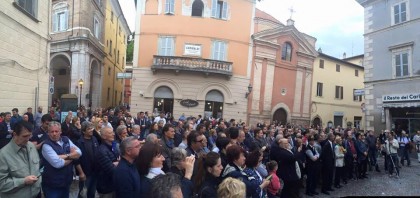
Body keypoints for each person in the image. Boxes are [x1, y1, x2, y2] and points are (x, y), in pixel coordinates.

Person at [0, 121, 41, 197]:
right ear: (15, 134)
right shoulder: (3, 155)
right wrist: (23, 181)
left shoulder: (31, 146)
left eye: (30, 135)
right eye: (25, 136)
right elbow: (2, 184)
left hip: (36, 194)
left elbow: (37, 169)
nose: (28, 139)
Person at [41, 121, 82, 198]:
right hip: (52, 185)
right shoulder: (46, 145)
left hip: (66, 182)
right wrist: (73, 156)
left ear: (60, 131)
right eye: (51, 131)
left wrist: (64, 156)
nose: (54, 134)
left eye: (56, 131)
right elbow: (58, 164)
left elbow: (79, 152)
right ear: (48, 133)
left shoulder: (66, 139)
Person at [76, 121, 100, 198]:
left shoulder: (94, 139)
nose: (91, 130)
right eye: (89, 129)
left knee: (92, 193)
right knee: (83, 194)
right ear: (83, 131)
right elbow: (76, 160)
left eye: (92, 128)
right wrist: (81, 173)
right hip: (86, 173)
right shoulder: (79, 143)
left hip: (95, 172)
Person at [96, 126, 120, 197]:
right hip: (106, 187)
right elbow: (112, 170)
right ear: (103, 136)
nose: (113, 134)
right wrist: (119, 163)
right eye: (110, 133)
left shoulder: (113, 145)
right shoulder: (101, 151)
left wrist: (116, 163)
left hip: (113, 185)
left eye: (113, 132)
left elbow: (119, 158)